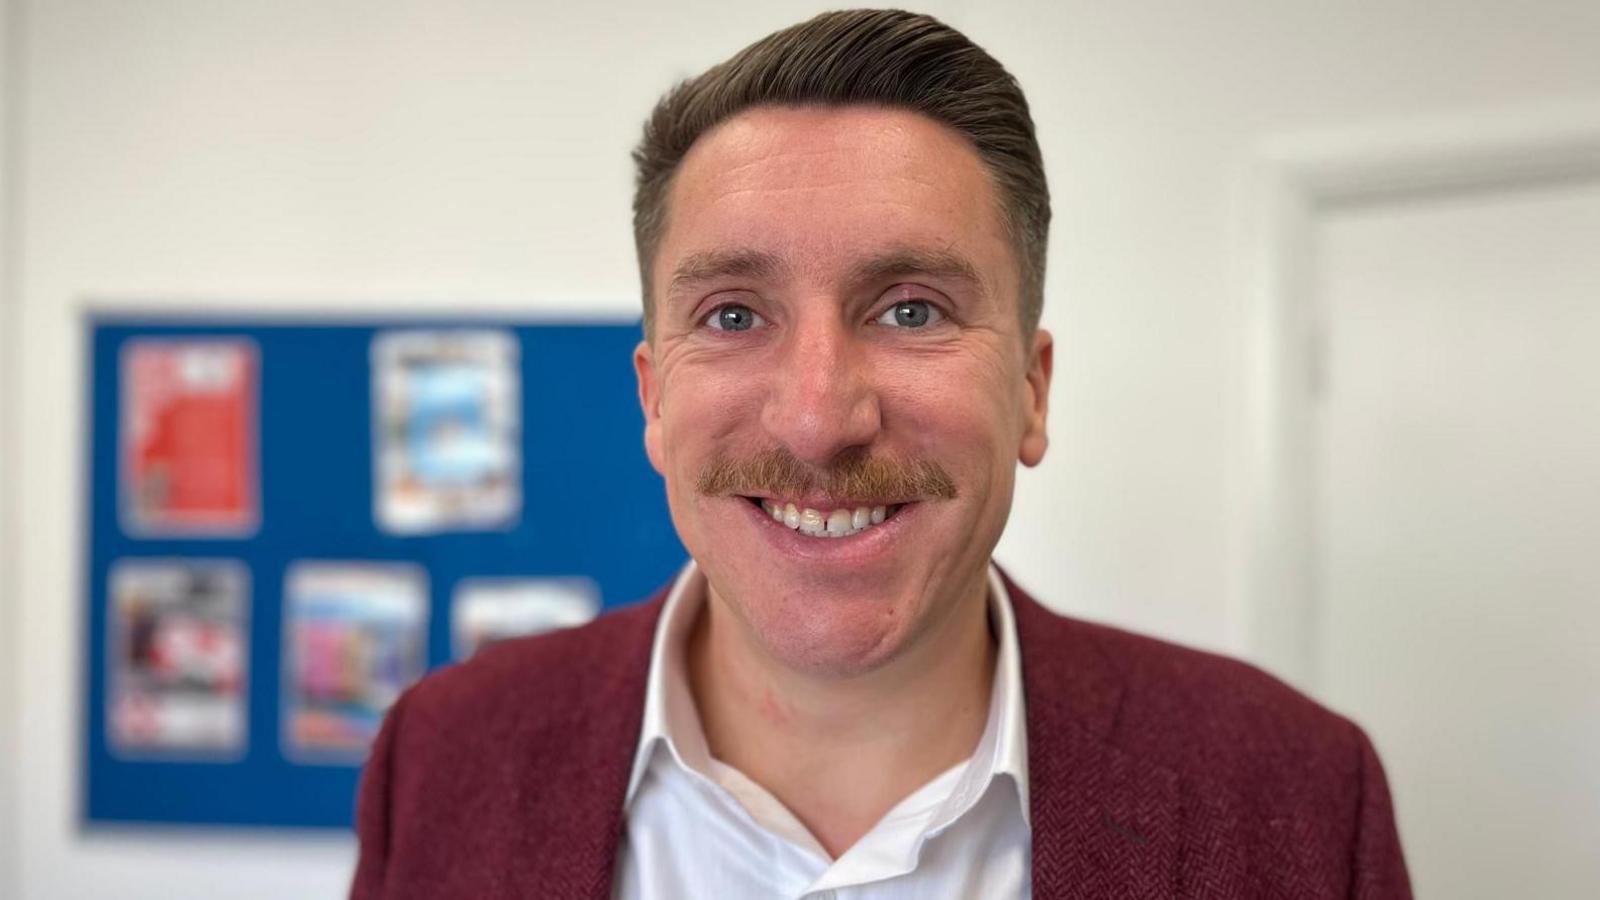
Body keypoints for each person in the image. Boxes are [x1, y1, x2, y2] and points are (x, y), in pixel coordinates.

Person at [349, 9, 1412, 899]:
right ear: (654, 401)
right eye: (731, 316)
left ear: (1031, 392)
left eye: (910, 310)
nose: (817, 420)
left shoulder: (1297, 795)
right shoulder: (443, 758)